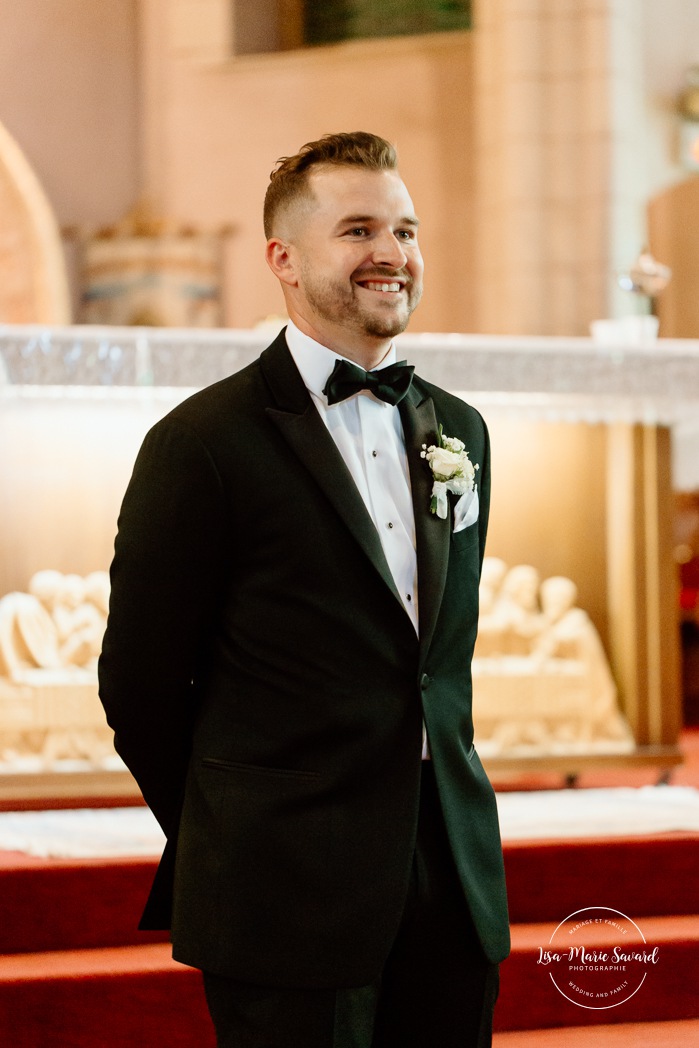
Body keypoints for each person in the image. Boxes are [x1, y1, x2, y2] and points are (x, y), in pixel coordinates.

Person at [98, 131, 510, 1048]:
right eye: (357, 229)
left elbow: (438, 663)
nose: (391, 254)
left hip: (450, 873)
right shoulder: (202, 443)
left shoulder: (461, 431)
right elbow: (140, 686)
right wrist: (239, 830)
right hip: (282, 884)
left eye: (404, 230)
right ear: (283, 259)